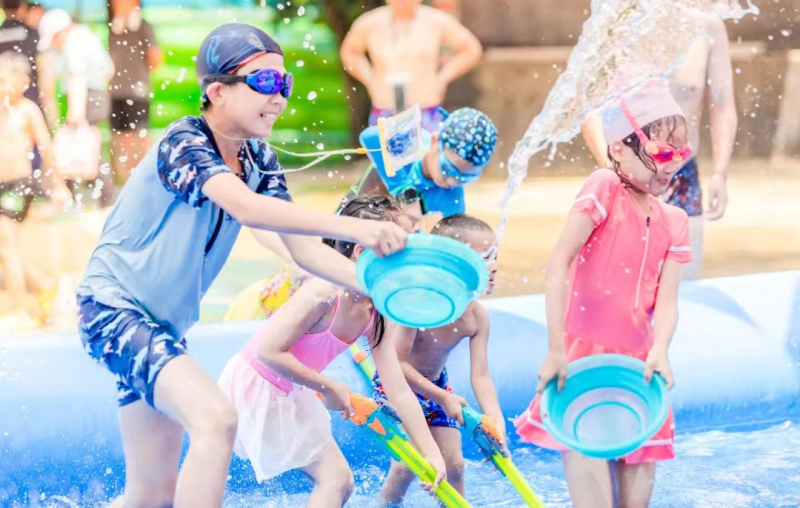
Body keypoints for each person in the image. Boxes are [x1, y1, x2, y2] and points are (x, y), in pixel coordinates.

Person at [75, 24, 407, 508]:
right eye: (265, 82)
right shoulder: (185, 143)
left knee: (151, 496)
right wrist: (359, 229)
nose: (280, 97)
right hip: (113, 311)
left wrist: (380, 287)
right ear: (217, 91)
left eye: (285, 84)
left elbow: (302, 248)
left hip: (163, 329)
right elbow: (248, 209)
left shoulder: (256, 158)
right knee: (216, 419)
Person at [515, 82, 692, 508]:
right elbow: (559, 264)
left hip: (641, 371)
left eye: (680, 153)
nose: (672, 165)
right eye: (661, 152)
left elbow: (667, 301)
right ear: (618, 149)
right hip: (582, 363)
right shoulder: (604, 187)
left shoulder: (675, 220)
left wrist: (661, 349)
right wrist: (555, 349)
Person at [218, 196, 446, 506]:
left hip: (289, 387)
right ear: (362, 252)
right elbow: (268, 351)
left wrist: (431, 453)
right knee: (336, 479)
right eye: (400, 249)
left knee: (339, 481)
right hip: (256, 384)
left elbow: (398, 389)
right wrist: (328, 386)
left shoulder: (376, 308)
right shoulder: (325, 291)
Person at [222, 106, 498, 322]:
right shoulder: (408, 149)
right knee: (310, 276)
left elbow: (450, 243)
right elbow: (370, 138)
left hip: (375, 245)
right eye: (450, 169)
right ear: (435, 141)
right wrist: (406, 189)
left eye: (467, 178)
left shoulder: (452, 194)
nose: (453, 181)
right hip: (349, 228)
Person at [582, 17, 737, 280]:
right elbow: (589, 107)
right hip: (626, 175)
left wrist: (720, 172)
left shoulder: (707, 24)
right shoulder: (617, 18)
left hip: (681, 177)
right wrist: (612, 171)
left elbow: (722, 104)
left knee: (684, 287)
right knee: (623, 288)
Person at [376, 214, 501, 505]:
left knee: (455, 466)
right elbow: (397, 364)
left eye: (495, 255)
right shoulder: (417, 305)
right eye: (485, 257)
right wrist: (443, 398)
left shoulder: (476, 316)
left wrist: (495, 421)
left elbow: (481, 376)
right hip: (396, 385)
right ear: (451, 263)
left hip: (437, 386)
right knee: (406, 465)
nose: (494, 266)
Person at [0, 51, 69, 327]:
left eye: (4, 80)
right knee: (5, 248)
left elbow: (47, 149)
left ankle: (19, 310)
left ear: (23, 82)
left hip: (18, 185)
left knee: (5, 242)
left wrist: (58, 185)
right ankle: (43, 285)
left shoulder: (27, 111)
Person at [340, 0, 482, 130]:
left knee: (428, 150)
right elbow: (350, 52)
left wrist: (442, 79)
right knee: (384, 150)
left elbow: (471, 49)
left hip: (426, 109)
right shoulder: (369, 23)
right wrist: (370, 80)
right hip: (385, 111)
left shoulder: (436, 21)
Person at [37, 9, 116, 206]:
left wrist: (76, 111)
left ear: (60, 31)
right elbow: (108, 70)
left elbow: (77, 78)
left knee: (87, 148)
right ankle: (82, 197)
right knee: (89, 146)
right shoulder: (86, 35)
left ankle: (102, 199)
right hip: (95, 96)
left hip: (85, 98)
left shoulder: (73, 41)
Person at [108, 0, 163, 184]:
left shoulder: (143, 26)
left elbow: (156, 58)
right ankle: (127, 181)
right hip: (117, 92)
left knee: (140, 136)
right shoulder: (114, 27)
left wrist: (138, 76)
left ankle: (148, 178)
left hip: (137, 93)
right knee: (120, 138)